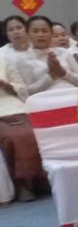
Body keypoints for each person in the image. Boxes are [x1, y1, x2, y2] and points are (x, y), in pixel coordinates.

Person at [0, 16, 42, 202]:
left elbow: (21, 88)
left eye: (19, 27)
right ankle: (22, 184)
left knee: (35, 131)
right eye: (11, 29)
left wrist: (7, 86)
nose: (16, 32)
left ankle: (40, 179)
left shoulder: (2, 59)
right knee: (14, 136)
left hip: (15, 104)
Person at [6, 16, 78, 99]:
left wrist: (63, 73)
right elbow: (26, 92)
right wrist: (50, 75)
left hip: (74, 97)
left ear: (51, 33)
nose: (40, 35)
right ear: (27, 34)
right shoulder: (22, 59)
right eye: (35, 31)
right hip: (45, 102)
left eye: (45, 31)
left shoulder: (64, 52)